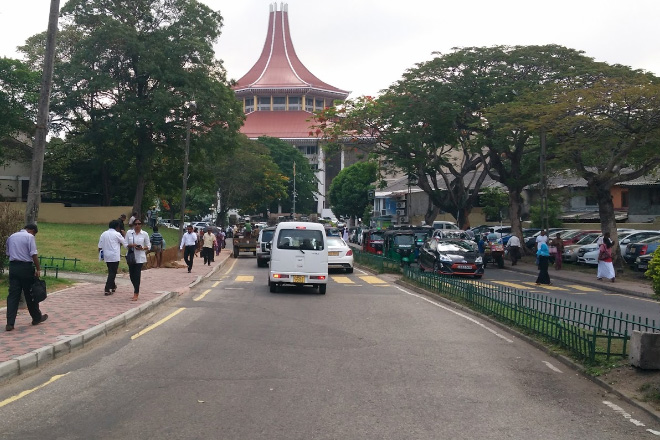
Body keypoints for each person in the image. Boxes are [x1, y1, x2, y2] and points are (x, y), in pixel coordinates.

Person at [5, 224, 47, 331]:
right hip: (26, 268)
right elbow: (33, 254)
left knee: (13, 295)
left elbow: (8, 253)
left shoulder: (11, 236)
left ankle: (10, 323)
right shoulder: (29, 237)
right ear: (32, 231)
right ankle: (36, 317)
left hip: (13, 267)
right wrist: (38, 269)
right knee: (30, 294)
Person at [124, 219, 150, 301]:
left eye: (139, 224)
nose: (137, 225)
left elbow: (149, 246)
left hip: (140, 257)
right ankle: (135, 287)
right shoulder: (129, 233)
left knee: (137, 274)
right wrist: (131, 245)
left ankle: (136, 292)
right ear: (133, 225)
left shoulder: (144, 234)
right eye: (135, 224)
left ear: (141, 225)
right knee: (132, 275)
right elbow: (125, 244)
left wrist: (142, 248)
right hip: (131, 256)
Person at [98, 219, 124, 295]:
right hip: (114, 256)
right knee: (113, 272)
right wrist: (124, 234)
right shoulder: (117, 234)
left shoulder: (103, 234)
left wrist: (100, 255)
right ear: (117, 227)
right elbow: (125, 243)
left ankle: (113, 286)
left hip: (106, 255)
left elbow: (100, 246)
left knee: (111, 271)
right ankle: (107, 288)